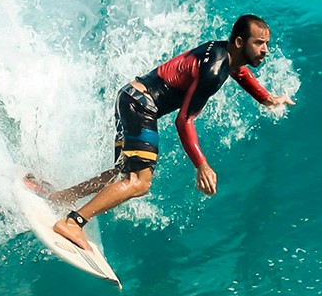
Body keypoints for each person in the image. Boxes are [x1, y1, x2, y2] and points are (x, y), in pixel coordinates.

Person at [29, 14, 293, 251]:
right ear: (239, 42)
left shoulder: (223, 53)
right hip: (141, 106)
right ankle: (73, 222)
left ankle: (62, 197)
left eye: (266, 44)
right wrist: (201, 164)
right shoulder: (213, 71)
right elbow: (184, 120)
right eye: (259, 43)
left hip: (129, 97)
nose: (265, 50)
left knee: (123, 175)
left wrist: (267, 99)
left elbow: (239, 72)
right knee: (139, 182)